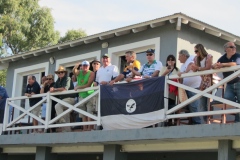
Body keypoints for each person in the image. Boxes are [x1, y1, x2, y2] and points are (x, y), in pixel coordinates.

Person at [212, 42, 240, 122]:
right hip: (229, 84)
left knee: (239, 102)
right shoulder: (222, 58)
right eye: (231, 47)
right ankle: (226, 121)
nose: (234, 48)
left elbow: (235, 64)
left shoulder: (237, 56)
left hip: (239, 82)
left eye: (235, 47)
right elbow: (216, 65)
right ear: (226, 49)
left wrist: (222, 65)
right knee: (227, 100)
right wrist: (214, 66)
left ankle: (238, 122)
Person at [177, 49, 202, 124]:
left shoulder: (191, 57)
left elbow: (191, 65)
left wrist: (184, 73)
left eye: (179, 57)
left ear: (184, 55)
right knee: (187, 108)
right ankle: (191, 123)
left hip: (194, 87)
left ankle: (198, 124)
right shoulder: (182, 66)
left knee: (194, 106)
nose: (178, 59)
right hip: (185, 89)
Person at [191, 44, 213, 123]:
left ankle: (209, 120)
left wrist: (198, 68)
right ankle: (205, 121)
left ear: (201, 50)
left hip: (211, 81)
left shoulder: (208, 56)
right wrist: (192, 67)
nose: (196, 53)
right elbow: (195, 71)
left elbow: (208, 67)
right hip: (202, 83)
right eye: (195, 51)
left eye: (196, 51)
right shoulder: (196, 58)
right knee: (202, 103)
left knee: (210, 102)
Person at [50, 66, 75, 132]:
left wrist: (54, 89)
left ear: (64, 73)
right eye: (58, 72)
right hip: (63, 100)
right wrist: (51, 89)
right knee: (66, 115)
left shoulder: (67, 78)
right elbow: (54, 89)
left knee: (57, 106)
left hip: (70, 99)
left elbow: (65, 89)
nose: (60, 73)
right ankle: (67, 131)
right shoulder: (58, 80)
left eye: (62, 72)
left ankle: (60, 119)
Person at [73, 60, 95, 131]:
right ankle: (85, 128)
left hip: (89, 94)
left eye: (86, 66)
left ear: (89, 66)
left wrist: (78, 87)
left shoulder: (91, 73)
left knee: (89, 112)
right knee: (82, 113)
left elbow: (88, 85)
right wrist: (76, 66)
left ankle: (89, 128)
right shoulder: (79, 72)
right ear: (81, 66)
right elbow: (74, 72)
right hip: (81, 95)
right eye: (84, 65)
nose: (85, 67)